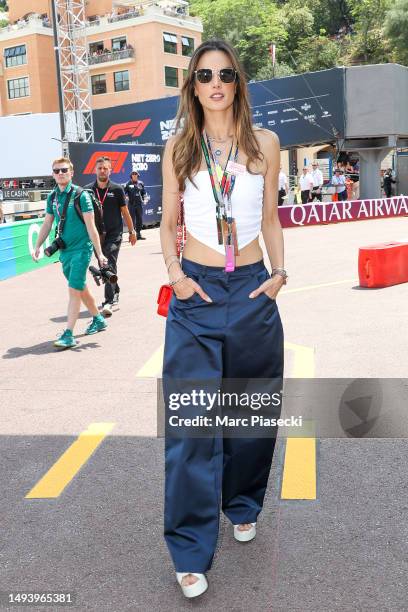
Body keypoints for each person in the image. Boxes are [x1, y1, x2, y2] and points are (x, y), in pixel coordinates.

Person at [160, 38, 285, 599]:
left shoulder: (265, 144)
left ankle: (241, 502)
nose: (216, 83)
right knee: (190, 427)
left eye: (226, 74)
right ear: (192, 85)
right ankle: (188, 550)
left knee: (252, 415)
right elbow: (167, 223)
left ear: (239, 83)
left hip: (254, 290)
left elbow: (271, 218)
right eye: (205, 74)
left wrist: (279, 274)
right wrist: (176, 276)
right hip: (197, 295)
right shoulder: (180, 149)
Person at [32, 157, 108, 349]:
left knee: (74, 289)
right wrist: (38, 245)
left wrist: (99, 254)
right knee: (80, 288)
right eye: (56, 171)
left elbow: (92, 228)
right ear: (53, 174)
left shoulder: (81, 195)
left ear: (71, 173)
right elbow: (48, 223)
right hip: (65, 252)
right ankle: (98, 319)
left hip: (82, 251)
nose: (60, 173)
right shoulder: (52, 197)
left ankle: (68, 334)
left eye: (64, 170)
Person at [85, 156, 137, 318]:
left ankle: (108, 301)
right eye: (100, 168)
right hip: (96, 236)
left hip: (115, 234)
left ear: (110, 170)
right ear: (95, 170)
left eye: (105, 168)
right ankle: (116, 289)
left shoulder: (117, 189)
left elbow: (125, 212)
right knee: (104, 266)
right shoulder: (87, 190)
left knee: (107, 262)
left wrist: (132, 231)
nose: (102, 171)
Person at [124, 171, 146, 240]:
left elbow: (144, 193)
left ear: (138, 176)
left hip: (139, 204)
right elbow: (124, 193)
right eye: (133, 174)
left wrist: (145, 199)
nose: (134, 175)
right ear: (131, 176)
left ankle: (138, 234)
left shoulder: (141, 183)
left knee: (139, 219)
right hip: (131, 204)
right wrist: (126, 197)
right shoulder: (128, 184)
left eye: (136, 174)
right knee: (131, 220)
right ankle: (131, 235)